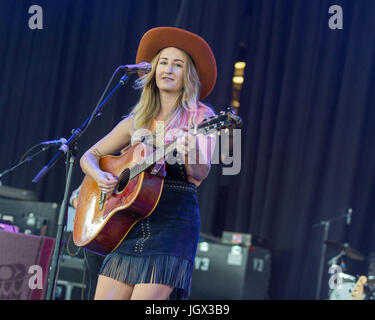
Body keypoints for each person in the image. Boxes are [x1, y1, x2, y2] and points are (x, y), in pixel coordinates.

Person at [79, 26, 217, 300]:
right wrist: (100, 176)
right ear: (152, 71)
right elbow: (88, 156)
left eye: (178, 65)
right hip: (128, 224)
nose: (168, 69)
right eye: (163, 62)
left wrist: (192, 152)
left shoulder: (202, 118)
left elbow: (201, 173)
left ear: (187, 76)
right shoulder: (136, 121)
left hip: (172, 224)